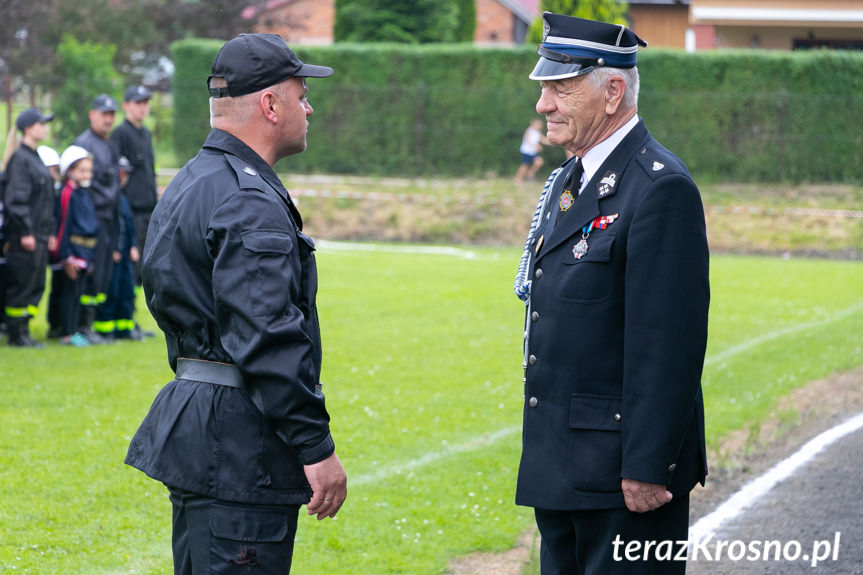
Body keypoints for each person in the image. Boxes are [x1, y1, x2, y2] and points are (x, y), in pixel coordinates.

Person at [125, 33, 347, 574]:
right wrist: (315, 445)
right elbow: (266, 333)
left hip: (205, 423)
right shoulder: (248, 198)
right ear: (270, 105)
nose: (309, 107)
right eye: (301, 94)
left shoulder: (193, 181)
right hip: (241, 443)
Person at [512, 13, 710, 574]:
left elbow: (667, 343)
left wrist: (647, 466)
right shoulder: (570, 180)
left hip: (623, 478)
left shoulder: (659, 187)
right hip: (563, 466)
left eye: (559, 87)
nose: (543, 104)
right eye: (543, 87)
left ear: (613, 91)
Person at [2, 108, 57, 348]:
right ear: (27, 128)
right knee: (21, 286)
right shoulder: (20, 160)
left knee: (35, 284)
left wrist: (50, 233)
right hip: (26, 237)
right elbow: (16, 200)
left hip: (40, 236)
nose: (45, 127)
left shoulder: (35, 158)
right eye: (41, 123)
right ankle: (16, 333)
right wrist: (25, 232)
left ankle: (25, 328)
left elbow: (45, 202)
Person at [75, 93, 121, 343]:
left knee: (102, 274)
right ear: (92, 114)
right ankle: (81, 327)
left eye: (111, 114)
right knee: (90, 274)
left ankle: (91, 325)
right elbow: (86, 186)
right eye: (104, 114)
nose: (108, 119)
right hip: (91, 221)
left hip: (108, 220)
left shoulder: (108, 144)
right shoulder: (85, 144)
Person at [52, 145, 99, 347]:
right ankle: (66, 333)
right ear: (69, 171)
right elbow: (63, 226)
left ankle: (74, 330)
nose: (86, 174)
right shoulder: (66, 194)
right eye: (81, 170)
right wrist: (66, 257)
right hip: (72, 253)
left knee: (77, 294)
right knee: (69, 294)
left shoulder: (83, 193)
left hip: (85, 252)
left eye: (89, 170)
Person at [110, 85, 156, 288]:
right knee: (132, 264)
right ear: (126, 105)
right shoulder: (120, 134)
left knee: (147, 263)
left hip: (149, 210)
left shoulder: (145, 134)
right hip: (131, 211)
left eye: (145, 103)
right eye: (138, 103)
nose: (143, 107)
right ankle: (128, 310)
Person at [514, 118, 547, 184]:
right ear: (533, 124)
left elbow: (544, 140)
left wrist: (555, 142)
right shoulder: (529, 131)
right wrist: (536, 146)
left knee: (539, 162)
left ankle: (530, 173)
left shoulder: (537, 133)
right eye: (539, 125)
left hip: (533, 152)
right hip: (527, 151)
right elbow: (528, 140)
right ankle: (518, 179)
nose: (540, 126)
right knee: (524, 166)